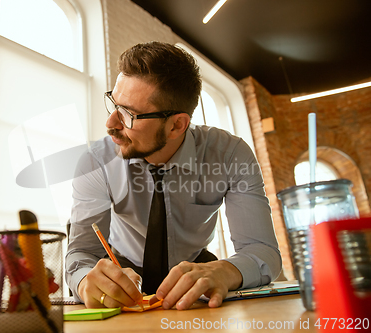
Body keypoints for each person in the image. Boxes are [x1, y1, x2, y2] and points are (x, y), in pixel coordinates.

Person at [65, 41, 281, 310]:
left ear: (177, 125)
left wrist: (225, 272)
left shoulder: (230, 154)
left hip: (197, 272)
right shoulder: (95, 162)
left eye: (129, 114)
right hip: (122, 274)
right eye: (114, 104)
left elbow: (263, 250)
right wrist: (86, 280)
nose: (110, 124)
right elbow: (81, 253)